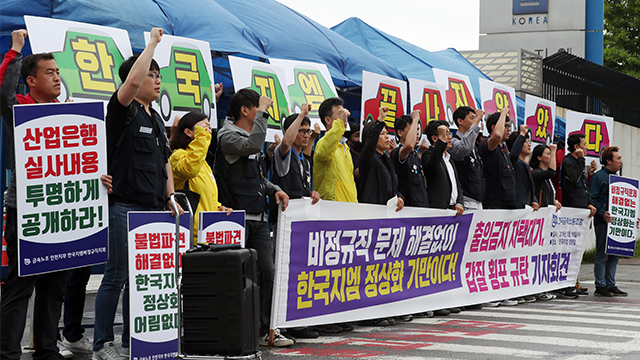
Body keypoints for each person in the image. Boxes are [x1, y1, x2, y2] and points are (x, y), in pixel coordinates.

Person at [0, 29, 111, 360]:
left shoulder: (72, 115)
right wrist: (15, 52)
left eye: (58, 72)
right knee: (22, 285)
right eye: (49, 72)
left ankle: (47, 350)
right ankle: (7, 353)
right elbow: (4, 92)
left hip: (64, 214)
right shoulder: (21, 109)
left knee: (55, 288)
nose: (57, 78)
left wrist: (98, 180)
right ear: (30, 81)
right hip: (27, 211)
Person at [95, 28, 183, 360]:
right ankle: (102, 344)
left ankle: (134, 340)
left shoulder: (157, 119)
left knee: (139, 279)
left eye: (159, 76)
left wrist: (171, 197)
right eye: (151, 75)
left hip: (152, 210)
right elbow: (130, 84)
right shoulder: (123, 109)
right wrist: (153, 44)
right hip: (124, 207)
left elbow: (165, 164)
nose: (157, 81)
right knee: (116, 275)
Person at [214, 88, 292, 347]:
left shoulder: (249, 136)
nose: (262, 113)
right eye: (257, 108)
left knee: (268, 273)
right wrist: (265, 112)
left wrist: (275, 189)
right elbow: (253, 146)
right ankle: (235, 330)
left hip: (257, 218)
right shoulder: (228, 136)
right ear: (245, 110)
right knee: (237, 275)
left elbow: (257, 177)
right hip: (235, 217)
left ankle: (264, 329)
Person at [169, 111, 232, 238]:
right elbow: (189, 170)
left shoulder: (203, 162)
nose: (208, 130)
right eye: (204, 126)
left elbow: (204, 195)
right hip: (190, 233)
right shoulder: (178, 155)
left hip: (206, 232)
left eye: (209, 126)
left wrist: (219, 208)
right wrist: (202, 137)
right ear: (188, 132)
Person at [590, 146, 627, 297]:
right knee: (602, 253)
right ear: (608, 161)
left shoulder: (618, 178)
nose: (621, 162)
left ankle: (610, 284)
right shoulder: (599, 177)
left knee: (615, 253)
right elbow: (592, 198)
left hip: (616, 222)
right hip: (603, 221)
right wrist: (601, 213)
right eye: (618, 159)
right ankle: (600, 285)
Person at [358, 107, 404, 211]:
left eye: (387, 133)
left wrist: (399, 196)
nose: (387, 137)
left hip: (386, 212)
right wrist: (380, 119)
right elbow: (370, 143)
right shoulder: (368, 157)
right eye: (382, 134)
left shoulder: (386, 159)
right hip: (372, 212)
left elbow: (391, 186)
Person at [313, 97, 357, 203]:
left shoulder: (345, 146)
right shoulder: (322, 143)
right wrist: (339, 125)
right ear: (328, 120)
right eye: (340, 114)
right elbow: (324, 153)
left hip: (349, 208)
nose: (345, 117)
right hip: (332, 207)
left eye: (344, 113)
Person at [478, 107, 523, 210]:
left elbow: (514, 157)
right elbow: (497, 135)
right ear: (494, 127)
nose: (509, 129)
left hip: (507, 205)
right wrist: (503, 113)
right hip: (494, 206)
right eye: (505, 126)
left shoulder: (503, 149)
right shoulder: (488, 144)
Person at [422, 120, 464, 214]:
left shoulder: (449, 159)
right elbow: (432, 165)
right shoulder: (428, 155)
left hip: (454, 210)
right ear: (434, 138)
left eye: (450, 134)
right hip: (438, 211)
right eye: (446, 134)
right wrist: (441, 141)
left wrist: (459, 203)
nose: (450, 137)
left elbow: (457, 184)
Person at [390, 110, 429, 208]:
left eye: (417, 129)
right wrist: (415, 119)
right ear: (400, 132)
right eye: (413, 128)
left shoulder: (415, 154)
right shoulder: (398, 152)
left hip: (422, 207)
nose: (416, 133)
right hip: (408, 209)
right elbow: (409, 146)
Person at [450, 106, 485, 210]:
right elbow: (464, 148)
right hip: (465, 201)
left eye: (476, 118)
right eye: (472, 118)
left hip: (478, 200)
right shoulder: (453, 142)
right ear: (460, 121)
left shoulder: (474, 146)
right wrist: (478, 119)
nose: (476, 122)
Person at [506, 132, 540, 210]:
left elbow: (529, 189)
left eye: (529, 141)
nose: (529, 145)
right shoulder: (512, 162)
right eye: (526, 141)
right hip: (516, 209)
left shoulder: (526, 165)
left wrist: (534, 200)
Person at [530, 144, 562, 211]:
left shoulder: (547, 177)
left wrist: (554, 201)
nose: (552, 156)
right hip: (539, 214)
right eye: (548, 154)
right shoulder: (536, 173)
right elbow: (551, 172)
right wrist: (553, 151)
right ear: (539, 157)